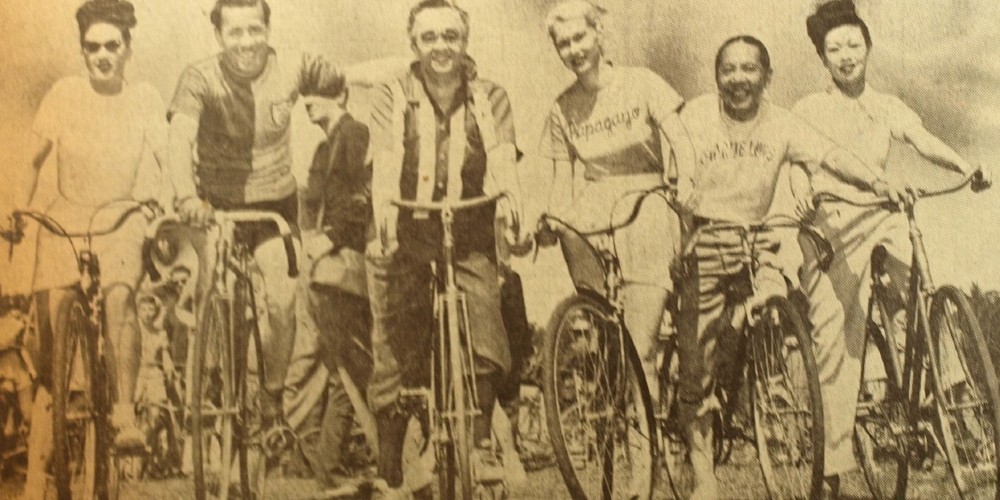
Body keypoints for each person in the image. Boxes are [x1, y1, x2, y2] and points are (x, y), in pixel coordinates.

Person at [676, 35, 904, 498]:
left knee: (779, 304)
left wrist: (878, 180)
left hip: (759, 240)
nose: (738, 79)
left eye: (749, 69)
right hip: (707, 242)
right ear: (716, 76)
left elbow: (832, 157)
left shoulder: (783, 123)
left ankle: (762, 394)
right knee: (695, 368)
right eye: (728, 70)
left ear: (767, 77)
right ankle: (703, 476)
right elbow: (674, 163)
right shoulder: (696, 115)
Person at [791, 1, 985, 493]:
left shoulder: (888, 105)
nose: (846, 55)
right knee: (840, 340)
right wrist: (801, 190)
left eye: (854, 44)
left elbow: (921, 140)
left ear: (869, 46)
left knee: (925, 294)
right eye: (834, 48)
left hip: (884, 214)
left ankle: (950, 406)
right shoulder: (809, 110)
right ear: (822, 57)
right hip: (834, 223)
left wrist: (965, 168)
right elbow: (797, 161)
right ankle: (835, 467)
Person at [7, 1, 169, 496]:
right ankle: (53, 429)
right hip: (65, 217)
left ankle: (122, 410)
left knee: (120, 296)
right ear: (82, 51)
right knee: (53, 326)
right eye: (92, 47)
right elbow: (32, 163)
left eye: (111, 46)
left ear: (128, 48)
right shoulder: (63, 95)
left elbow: (164, 162)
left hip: (120, 215)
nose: (102, 55)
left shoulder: (144, 97)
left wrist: (160, 205)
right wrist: (15, 206)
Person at [367, 1, 527, 497]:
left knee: (487, 327)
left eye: (450, 36)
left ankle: (479, 442)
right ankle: (394, 467)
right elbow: (387, 160)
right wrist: (385, 217)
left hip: (471, 228)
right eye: (430, 37)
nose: (441, 47)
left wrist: (513, 206)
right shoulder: (393, 94)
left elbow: (502, 160)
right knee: (397, 343)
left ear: (465, 40)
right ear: (413, 43)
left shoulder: (489, 95)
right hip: (413, 228)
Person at [166, 0, 349, 431]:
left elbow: (341, 79)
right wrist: (185, 195)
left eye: (254, 30)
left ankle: (271, 397)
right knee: (212, 290)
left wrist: (339, 121)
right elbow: (179, 139)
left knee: (284, 301)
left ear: (268, 29)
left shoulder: (294, 67)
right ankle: (216, 386)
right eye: (235, 32)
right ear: (218, 36)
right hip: (217, 207)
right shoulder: (200, 78)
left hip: (274, 208)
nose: (246, 42)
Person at [537, 0, 692, 413]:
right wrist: (550, 219)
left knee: (640, 350)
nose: (574, 50)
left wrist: (687, 180)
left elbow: (680, 140)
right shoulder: (562, 108)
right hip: (596, 207)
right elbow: (559, 184)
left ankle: (651, 448)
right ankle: (596, 320)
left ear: (599, 34)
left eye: (580, 37)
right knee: (567, 227)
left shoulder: (641, 82)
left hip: (647, 203)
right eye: (563, 43)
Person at [299, 90, 375, 497]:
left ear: (341, 95)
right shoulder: (323, 147)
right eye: (304, 94)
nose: (309, 101)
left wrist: (328, 237)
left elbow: (361, 199)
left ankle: (333, 471)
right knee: (347, 371)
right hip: (330, 271)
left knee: (349, 371)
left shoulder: (354, 134)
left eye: (320, 92)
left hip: (343, 263)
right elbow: (311, 207)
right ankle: (343, 471)